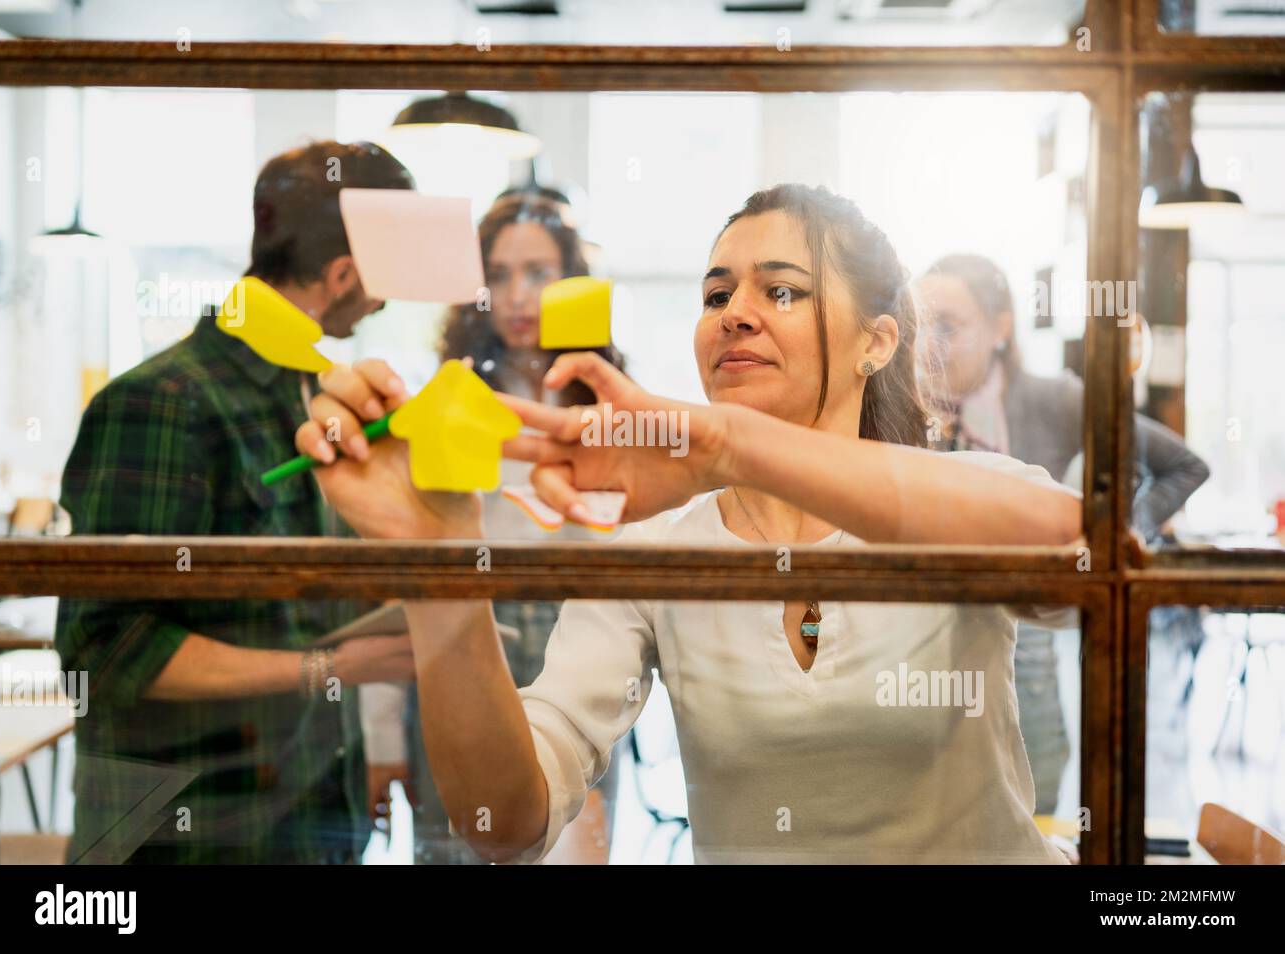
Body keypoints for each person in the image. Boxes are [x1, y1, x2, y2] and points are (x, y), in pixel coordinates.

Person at [295, 184, 1083, 863]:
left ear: (876, 342)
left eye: (780, 291)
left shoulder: (972, 496)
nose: (735, 314)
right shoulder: (654, 551)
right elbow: (504, 824)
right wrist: (438, 563)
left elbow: (1074, 553)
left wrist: (731, 446)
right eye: (715, 296)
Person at [56, 141, 419, 864]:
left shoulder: (311, 395)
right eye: (383, 278)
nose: (387, 300)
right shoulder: (163, 401)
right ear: (343, 273)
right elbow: (105, 651)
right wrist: (337, 669)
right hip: (185, 834)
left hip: (305, 816)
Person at [917, 253, 1210, 814]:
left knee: (1032, 811)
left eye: (948, 326)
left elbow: (1185, 465)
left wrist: (1118, 532)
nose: (928, 344)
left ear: (1001, 328)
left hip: (1029, 675)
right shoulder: (906, 412)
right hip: (925, 676)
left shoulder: (1057, 399)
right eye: (918, 324)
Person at [387, 191, 625, 862]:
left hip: (584, 650)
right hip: (463, 646)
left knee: (578, 849)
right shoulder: (446, 395)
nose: (518, 295)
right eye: (499, 273)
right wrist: (380, 740)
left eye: (540, 272)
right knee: (458, 848)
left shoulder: (612, 399)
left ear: (573, 279)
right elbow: (408, 572)